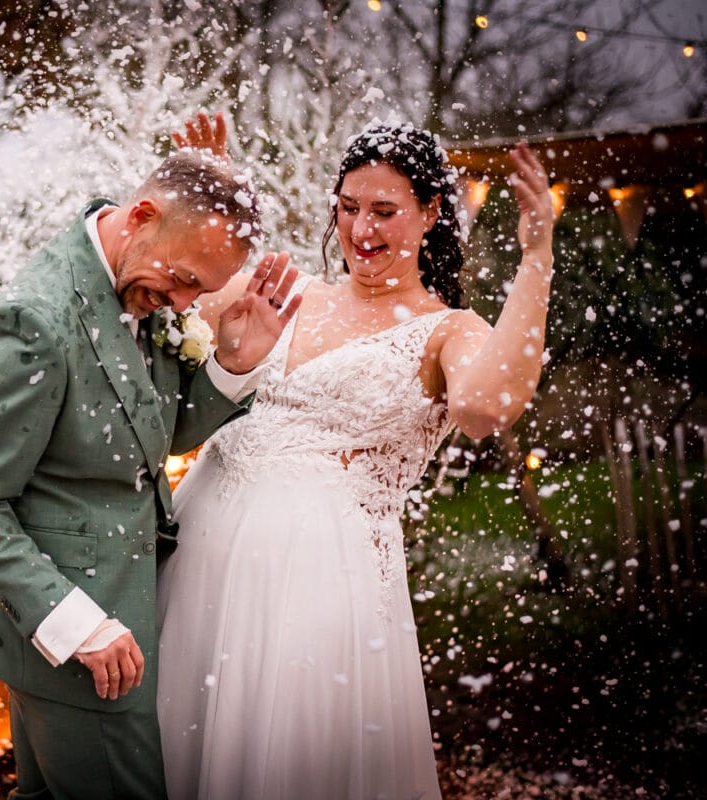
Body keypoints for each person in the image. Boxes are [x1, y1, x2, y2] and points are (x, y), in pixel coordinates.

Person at [156, 118, 555, 799]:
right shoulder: (289, 292)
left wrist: (537, 254)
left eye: (384, 211)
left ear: (431, 212)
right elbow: (179, 289)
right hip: (194, 570)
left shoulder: (448, 331)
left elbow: (485, 407)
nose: (361, 230)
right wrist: (210, 188)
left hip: (315, 589)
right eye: (347, 208)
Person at [0, 119, 303, 800]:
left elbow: (151, 437)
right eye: (183, 281)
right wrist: (78, 625)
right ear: (141, 217)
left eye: (199, 292)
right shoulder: (38, 321)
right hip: (82, 644)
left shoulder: (139, 275)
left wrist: (230, 364)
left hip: (124, 610)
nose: (184, 305)